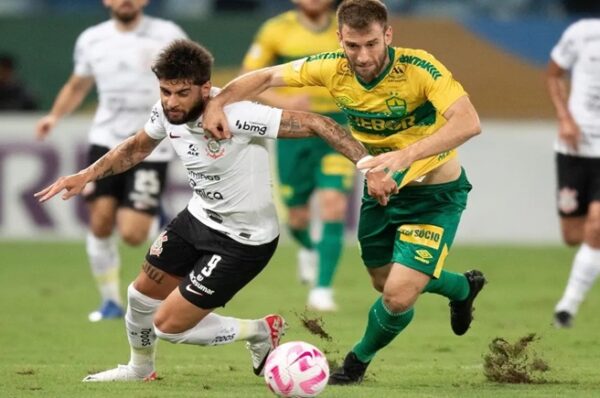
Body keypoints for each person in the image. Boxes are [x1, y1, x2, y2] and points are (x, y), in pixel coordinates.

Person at [35, 39, 371, 382]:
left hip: (245, 240)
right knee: (139, 297)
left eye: (181, 93)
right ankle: (140, 369)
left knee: (168, 326)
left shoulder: (238, 113)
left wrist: (369, 165)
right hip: (198, 219)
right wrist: (86, 175)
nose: (171, 101)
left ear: (205, 88)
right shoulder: (165, 113)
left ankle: (258, 331)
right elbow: (138, 147)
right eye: (165, 91)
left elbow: (318, 124)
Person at [203, 0, 486, 385]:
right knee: (383, 282)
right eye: (352, 46)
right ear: (340, 39)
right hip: (381, 191)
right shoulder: (331, 67)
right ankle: (462, 286)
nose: (363, 56)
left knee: (398, 297)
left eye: (371, 43)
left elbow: (469, 122)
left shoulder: (420, 68)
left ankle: (355, 363)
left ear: (388, 35)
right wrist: (218, 101)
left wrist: (401, 158)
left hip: (434, 196)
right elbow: (265, 78)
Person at [35, 0, 187, 322]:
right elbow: (78, 84)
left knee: (133, 234)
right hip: (105, 141)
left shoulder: (167, 34)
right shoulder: (92, 38)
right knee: (101, 221)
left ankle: (162, 225)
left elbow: (191, 79)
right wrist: (54, 116)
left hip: (150, 144)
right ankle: (110, 302)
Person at [241, 0, 354, 311]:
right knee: (296, 216)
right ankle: (309, 248)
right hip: (292, 130)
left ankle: (322, 289)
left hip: (336, 128)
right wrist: (282, 100)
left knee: (334, 204)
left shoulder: (346, 30)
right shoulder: (276, 30)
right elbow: (249, 79)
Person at [546, 18, 600, 328]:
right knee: (573, 234)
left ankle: (566, 308)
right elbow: (553, 75)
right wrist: (565, 117)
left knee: (596, 226)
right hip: (575, 150)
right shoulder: (582, 33)